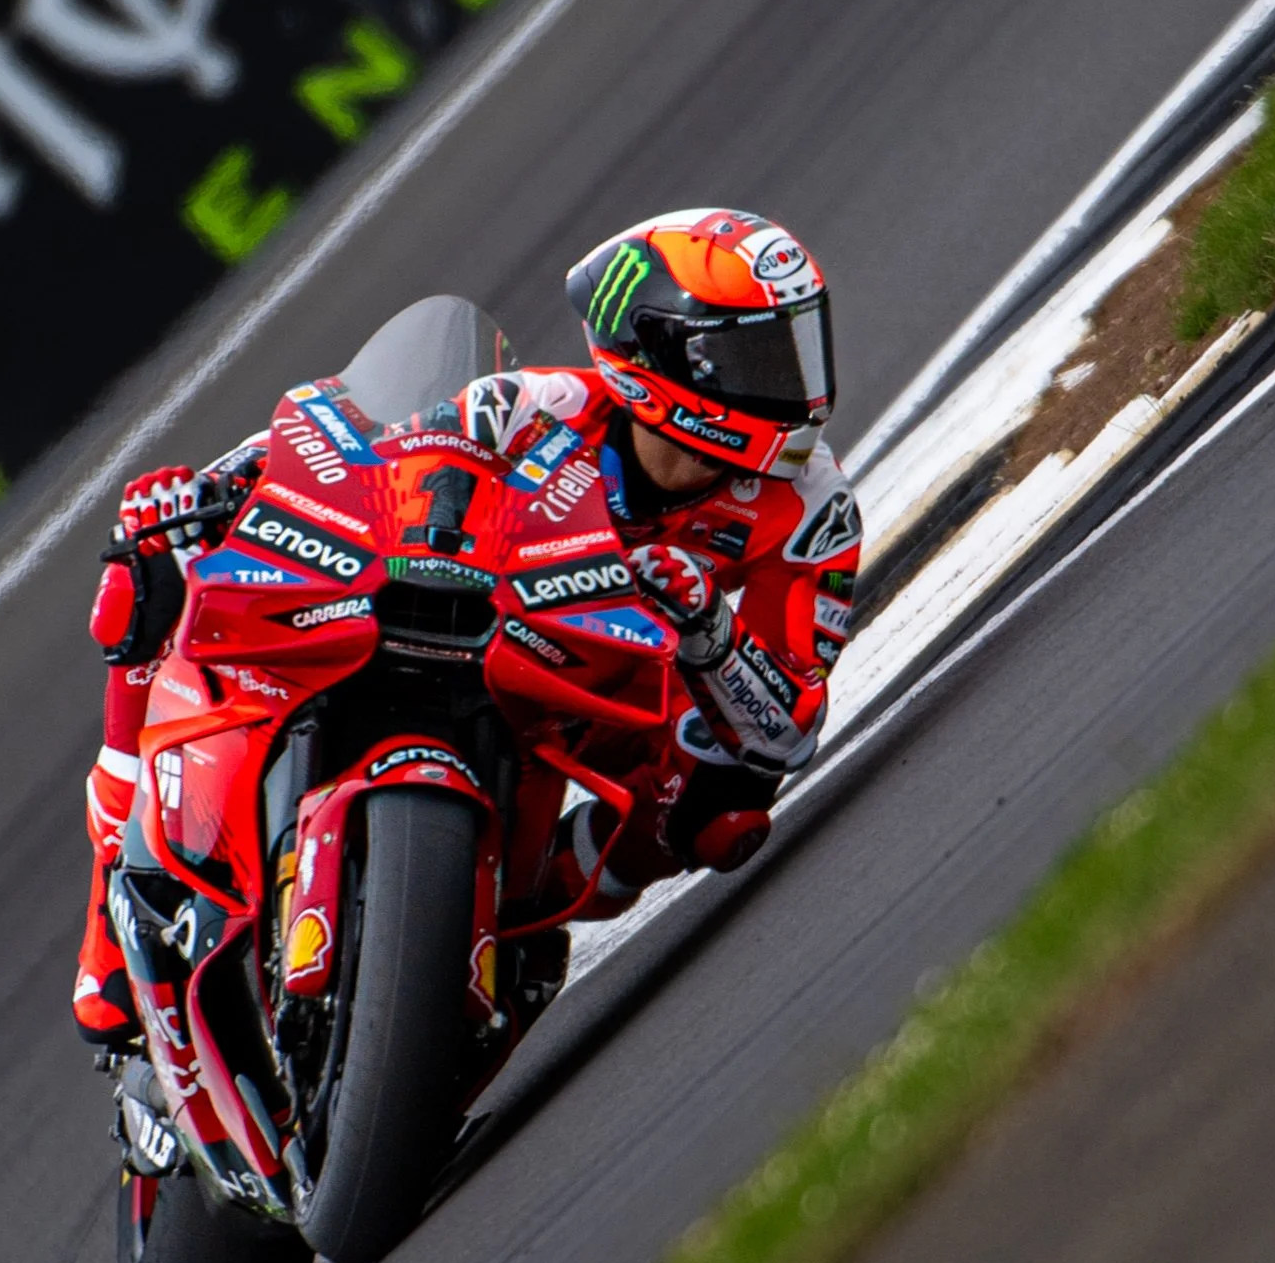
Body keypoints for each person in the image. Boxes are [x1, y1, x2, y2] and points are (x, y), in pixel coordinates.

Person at [72, 209, 862, 1045]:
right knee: (142, 578)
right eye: (759, 355)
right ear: (661, 357)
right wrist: (209, 490)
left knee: (721, 806)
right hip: (469, 629)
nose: (795, 382)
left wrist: (709, 633)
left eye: (797, 343)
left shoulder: (813, 507)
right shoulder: (533, 405)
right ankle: (115, 915)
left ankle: (524, 914)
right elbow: (342, 441)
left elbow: (786, 731)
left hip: (601, 687)